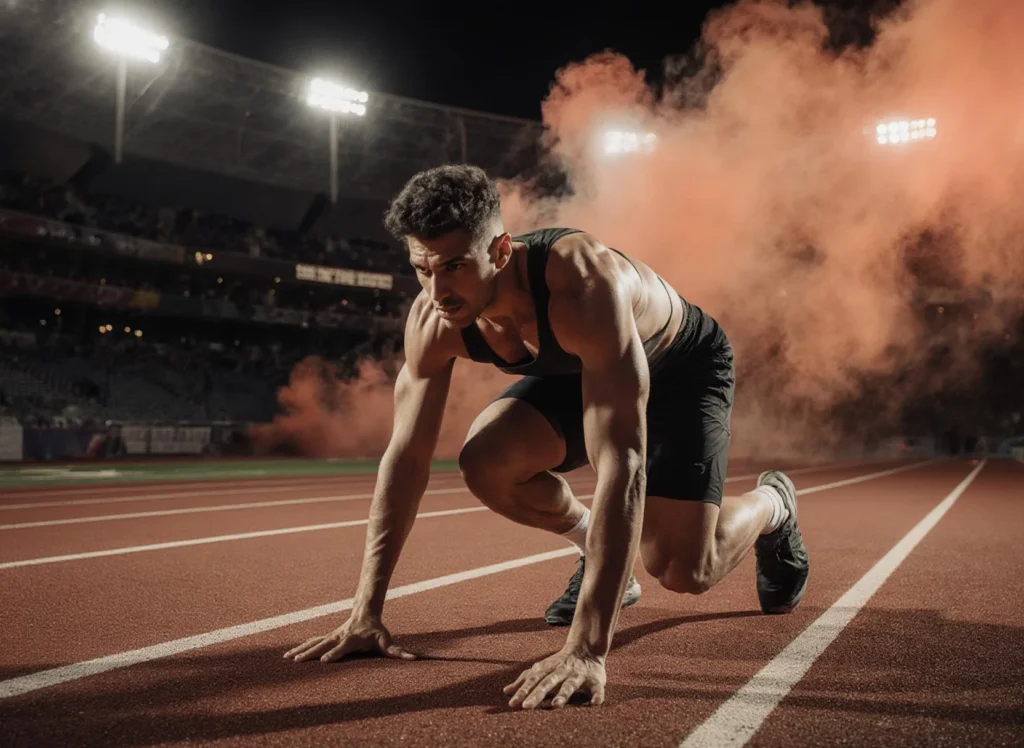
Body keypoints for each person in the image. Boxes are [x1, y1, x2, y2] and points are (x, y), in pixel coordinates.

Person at [284, 164, 809, 710]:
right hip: (580, 368)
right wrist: (366, 611)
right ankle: (593, 550)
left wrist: (586, 649)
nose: (438, 290)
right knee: (485, 463)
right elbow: (406, 457)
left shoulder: (582, 285)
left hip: (679, 367)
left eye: (455, 266)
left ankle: (774, 504)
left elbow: (623, 462)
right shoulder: (434, 319)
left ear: (501, 251)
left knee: (683, 570)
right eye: (422, 268)